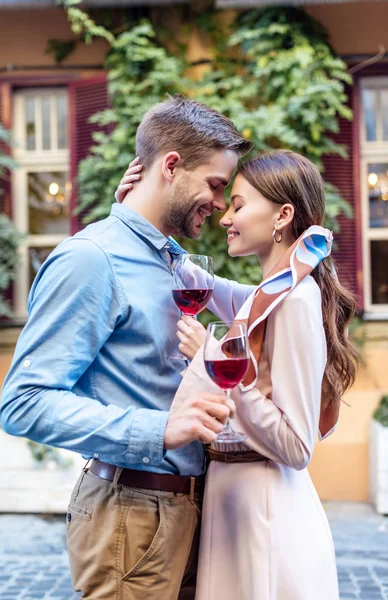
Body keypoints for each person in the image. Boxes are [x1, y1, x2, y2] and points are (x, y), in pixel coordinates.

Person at [0, 96, 253, 600]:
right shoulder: (91, 260)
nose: (221, 204)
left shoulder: (171, 260)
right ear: (171, 166)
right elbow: (22, 403)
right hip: (130, 518)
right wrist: (160, 429)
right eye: (216, 185)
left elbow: (265, 308)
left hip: (187, 509)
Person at [119, 149, 360, 600]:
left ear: (282, 216)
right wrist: (139, 214)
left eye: (239, 205)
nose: (225, 218)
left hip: (264, 520)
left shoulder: (295, 303)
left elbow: (297, 444)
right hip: (237, 507)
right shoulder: (271, 293)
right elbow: (196, 279)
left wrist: (215, 364)